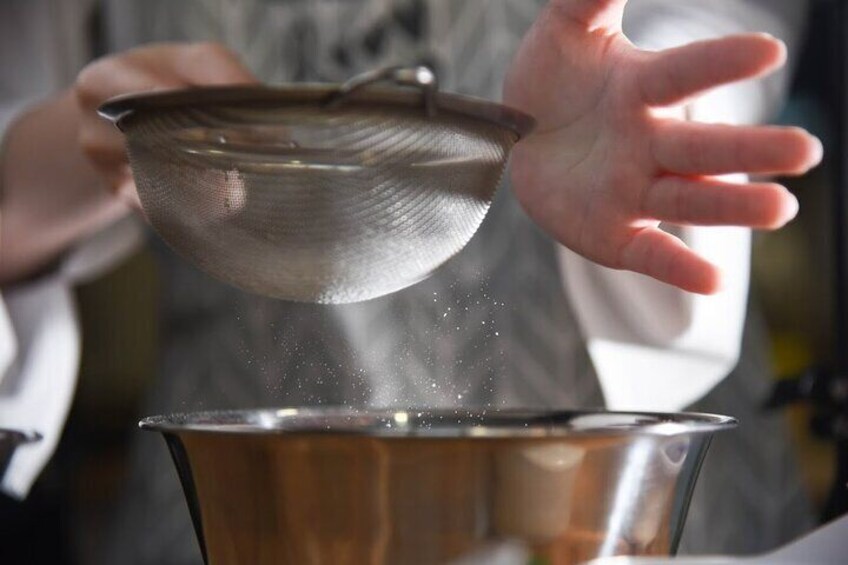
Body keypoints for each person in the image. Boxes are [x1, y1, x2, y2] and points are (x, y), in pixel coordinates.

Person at [0, 0, 821, 562]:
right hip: (238, 513)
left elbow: (729, 20)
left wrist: (665, 108)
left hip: (610, 511)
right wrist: (87, 135)